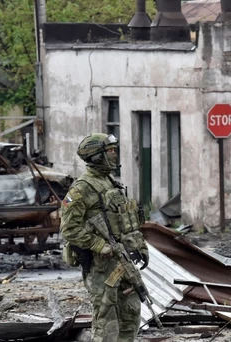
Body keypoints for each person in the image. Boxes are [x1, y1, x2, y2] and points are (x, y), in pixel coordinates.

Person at [60, 133, 149, 342]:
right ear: (96, 156)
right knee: (106, 320)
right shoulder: (82, 188)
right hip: (101, 267)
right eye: (110, 151)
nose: (115, 155)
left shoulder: (110, 182)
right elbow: (68, 229)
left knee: (131, 312)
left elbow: (126, 221)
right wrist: (99, 245)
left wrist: (140, 246)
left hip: (122, 260)